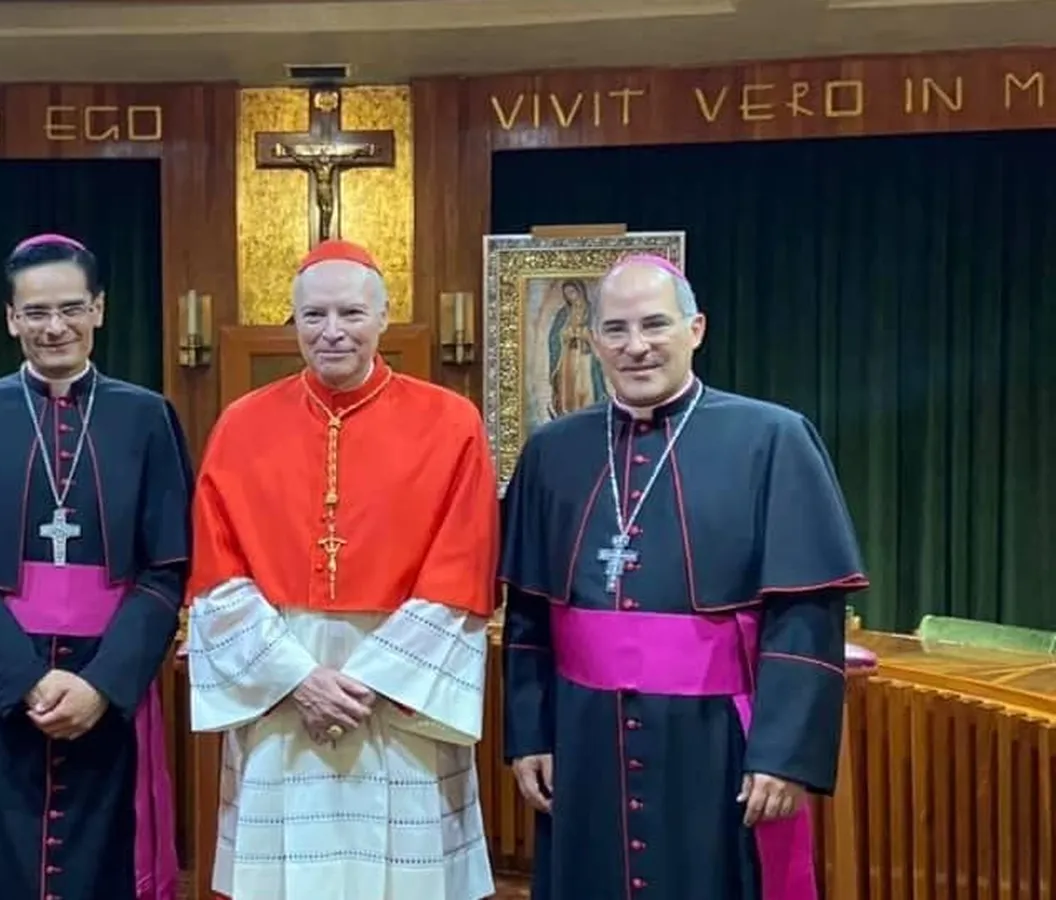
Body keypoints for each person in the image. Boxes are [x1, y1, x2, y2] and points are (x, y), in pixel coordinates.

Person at [499, 254, 869, 900]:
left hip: (717, 743)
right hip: (585, 741)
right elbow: (528, 612)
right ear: (593, 341)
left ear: (695, 329)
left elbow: (807, 614)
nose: (635, 345)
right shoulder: (552, 452)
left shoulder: (772, 438)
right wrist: (529, 733)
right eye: (616, 329)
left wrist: (782, 754)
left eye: (655, 324)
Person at [185, 239, 499, 900]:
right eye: (314, 315)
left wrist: (367, 683)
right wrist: (297, 680)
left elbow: (460, 572)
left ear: (383, 316)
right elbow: (217, 573)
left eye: (351, 313)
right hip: (281, 687)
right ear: (293, 321)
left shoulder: (452, 424)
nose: (333, 331)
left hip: (403, 691)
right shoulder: (241, 425)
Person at [0, 233, 191, 900]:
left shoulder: (146, 416)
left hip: (108, 692)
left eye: (70, 308)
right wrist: (24, 681)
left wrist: (102, 684)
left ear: (99, 309)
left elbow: (167, 571)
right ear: (11, 318)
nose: (54, 327)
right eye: (35, 312)